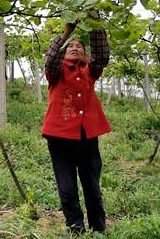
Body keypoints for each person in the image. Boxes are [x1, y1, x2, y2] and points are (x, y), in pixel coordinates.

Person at [42, 20, 111, 234]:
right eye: (70, 46)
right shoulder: (56, 72)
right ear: (64, 52)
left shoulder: (90, 70)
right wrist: (67, 33)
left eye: (79, 47)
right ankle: (76, 229)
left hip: (87, 137)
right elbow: (51, 58)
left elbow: (101, 56)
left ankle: (98, 229)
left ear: (84, 54)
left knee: (92, 186)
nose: (75, 48)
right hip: (60, 139)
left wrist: (95, 23)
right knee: (67, 188)